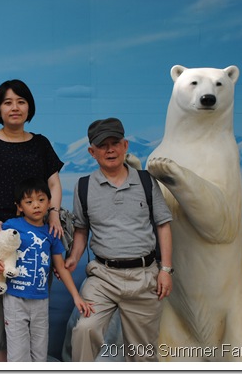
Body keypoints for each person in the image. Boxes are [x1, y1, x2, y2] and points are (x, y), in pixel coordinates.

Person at [0, 79, 65, 361]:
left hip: (35, 234)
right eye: (8, 102)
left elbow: (54, 184)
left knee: (33, 297)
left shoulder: (41, 143)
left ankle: (33, 361)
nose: (15, 108)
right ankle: (1, 360)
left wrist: (54, 213)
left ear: (29, 107)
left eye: (21, 102)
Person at [65, 117, 174, 362]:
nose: (110, 150)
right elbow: (81, 230)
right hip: (103, 277)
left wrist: (166, 269)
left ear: (125, 146)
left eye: (115, 143)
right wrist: (73, 257)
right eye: (102, 145)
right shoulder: (84, 186)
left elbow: (163, 225)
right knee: (85, 329)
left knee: (142, 353)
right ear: (92, 152)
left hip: (144, 277)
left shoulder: (146, 182)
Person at [0, 178, 94, 362]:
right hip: (15, 300)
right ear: (19, 207)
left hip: (41, 301)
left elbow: (60, 267)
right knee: (17, 355)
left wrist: (76, 297)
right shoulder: (12, 226)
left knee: (39, 354)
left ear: (50, 202)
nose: (36, 205)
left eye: (41, 200)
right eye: (29, 202)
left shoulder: (52, 232)